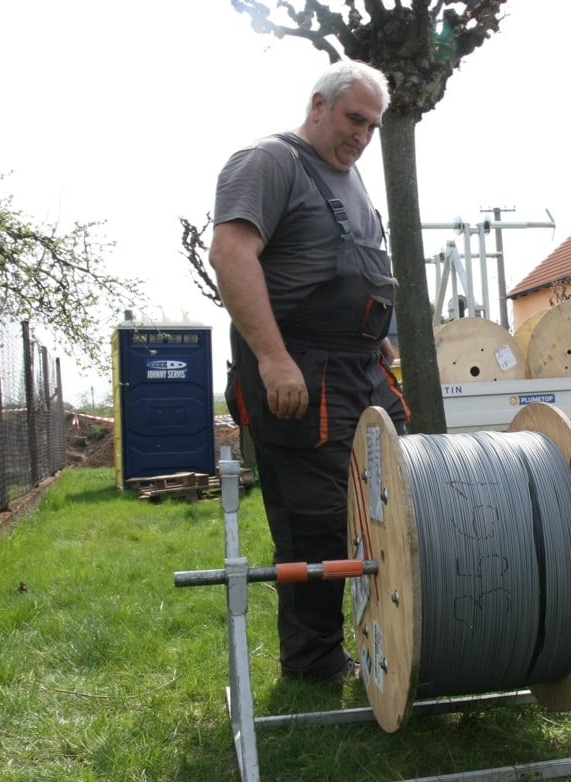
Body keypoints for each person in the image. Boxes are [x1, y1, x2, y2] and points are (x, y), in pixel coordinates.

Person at [209, 60, 409, 685]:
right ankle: (313, 662)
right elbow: (231, 254)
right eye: (354, 119)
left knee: (397, 498)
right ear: (318, 105)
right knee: (316, 521)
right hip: (300, 372)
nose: (363, 136)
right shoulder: (269, 162)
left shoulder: (351, 179)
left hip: (359, 369)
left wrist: (377, 341)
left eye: (373, 126)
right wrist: (273, 358)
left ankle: (400, 639)